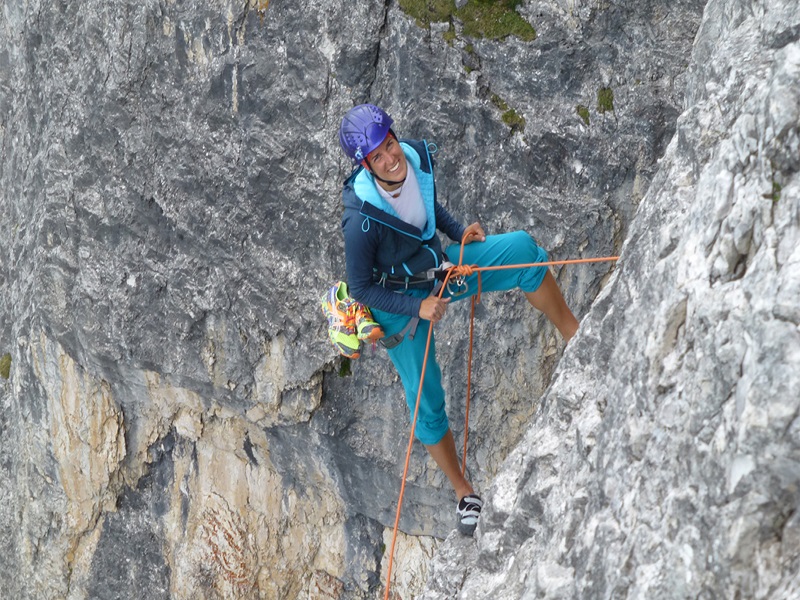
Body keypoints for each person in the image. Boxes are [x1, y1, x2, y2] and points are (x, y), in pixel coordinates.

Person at [337, 103, 579, 535]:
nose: (391, 158)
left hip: (439, 268)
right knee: (426, 402)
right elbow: (360, 289)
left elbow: (426, 210)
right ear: (366, 165)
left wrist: (456, 230)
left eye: (389, 145)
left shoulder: (411, 158)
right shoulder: (361, 221)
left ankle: (576, 336)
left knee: (522, 250)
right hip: (397, 306)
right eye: (378, 156)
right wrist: (418, 307)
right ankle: (464, 492)